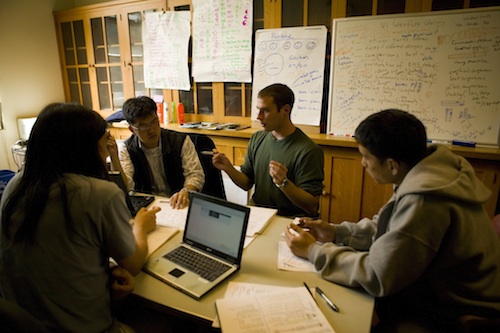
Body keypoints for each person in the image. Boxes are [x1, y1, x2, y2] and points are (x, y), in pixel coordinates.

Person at [285, 109, 500, 331]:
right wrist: (336, 232)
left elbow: (379, 275)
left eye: (366, 157)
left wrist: (313, 252)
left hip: (457, 311)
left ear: (392, 165)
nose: (363, 164)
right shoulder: (426, 170)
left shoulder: (426, 199)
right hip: (434, 290)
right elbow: (387, 226)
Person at [0, 103, 160, 332]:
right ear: (84, 148)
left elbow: (58, 252)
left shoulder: (16, 183)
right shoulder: (99, 193)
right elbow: (133, 264)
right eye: (104, 140)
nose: (107, 147)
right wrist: (140, 228)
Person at [212, 83, 324, 217]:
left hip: (289, 219)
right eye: (257, 110)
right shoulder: (258, 138)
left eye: (265, 111)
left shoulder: (308, 150)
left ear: (285, 110)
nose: (258, 116)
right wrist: (228, 168)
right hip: (258, 215)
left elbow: (311, 206)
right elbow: (247, 183)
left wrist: (283, 183)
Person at [112, 96, 204, 209]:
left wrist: (185, 192)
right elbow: (128, 186)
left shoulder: (180, 141)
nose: (151, 130)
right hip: (147, 205)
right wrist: (113, 157)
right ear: (132, 130)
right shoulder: (127, 148)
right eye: (143, 126)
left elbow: (195, 174)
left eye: (154, 122)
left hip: (178, 202)